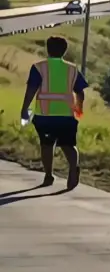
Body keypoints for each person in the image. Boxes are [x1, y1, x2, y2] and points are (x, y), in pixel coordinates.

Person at [18, 35, 87, 190]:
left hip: (45, 115)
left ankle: (49, 175)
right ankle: (73, 168)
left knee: (47, 145)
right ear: (65, 50)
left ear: (47, 49)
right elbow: (80, 92)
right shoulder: (72, 69)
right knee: (69, 145)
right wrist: (79, 108)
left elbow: (31, 89)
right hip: (66, 115)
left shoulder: (38, 68)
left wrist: (24, 109)